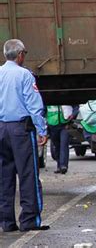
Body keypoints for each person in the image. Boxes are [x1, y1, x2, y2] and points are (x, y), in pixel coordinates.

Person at [0, 39, 49, 232]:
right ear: (20, 55)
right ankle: (29, 221)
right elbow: (34, 105)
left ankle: (6, 222)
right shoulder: (25, 75)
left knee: (4, 177)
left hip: (1, 129)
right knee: (28, 174)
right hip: (20, 130)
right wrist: (42, 130)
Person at [46, 105, 73, 174]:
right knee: (56, 146)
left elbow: (76, 107)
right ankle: (59, 165)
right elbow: (42, 111)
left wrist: (73, 115)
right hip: (52, 126)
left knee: (64, 144)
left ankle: (63, 166)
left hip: (65, 125)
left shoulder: (65, 96)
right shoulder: (47, 98)